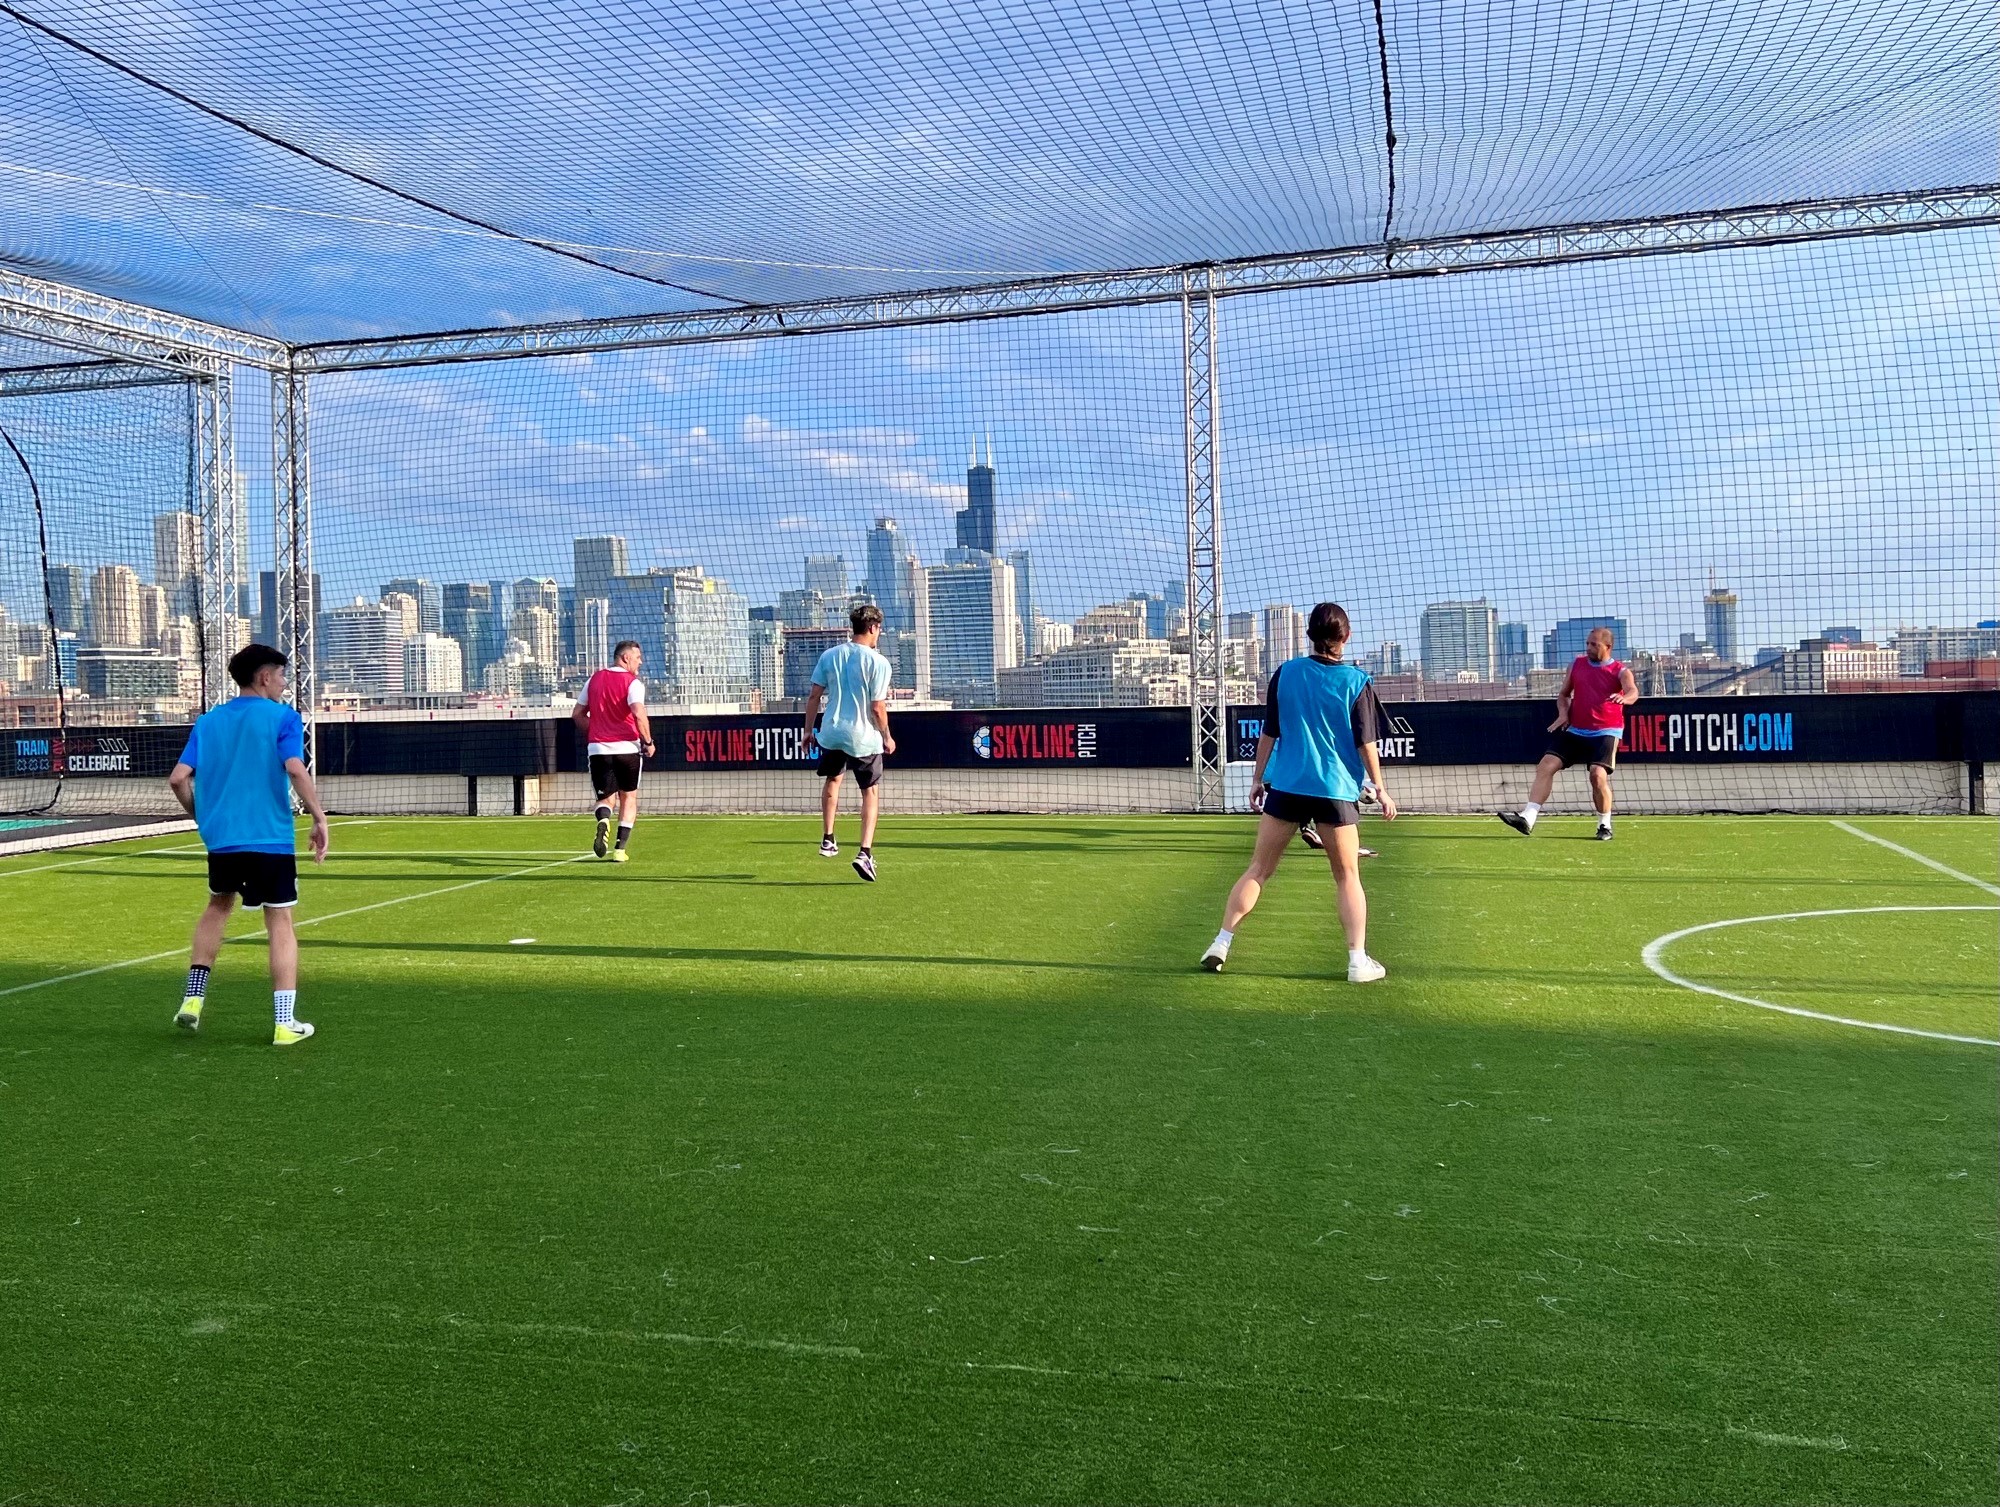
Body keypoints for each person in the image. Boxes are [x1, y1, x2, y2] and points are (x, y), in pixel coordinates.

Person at [1202, 603, 1397, 982]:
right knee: (1347, 876)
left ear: (1309, 634)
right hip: (1335, 790)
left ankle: (1221, 942)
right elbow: (1366, 742)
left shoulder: (1286, 673)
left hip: (1287, 785)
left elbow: (1269, 732)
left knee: (1258, 870)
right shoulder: (1357, 681)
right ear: (1346, 637)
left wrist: (1257, 780)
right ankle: (1358, 961)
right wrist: (1381, 788)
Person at [166, 643, 328, 1046]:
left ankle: (192, 999)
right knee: (280, 921)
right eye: (281, 675)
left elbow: (178, 778)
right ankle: (283, 1022)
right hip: (268, 839)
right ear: (264, 677)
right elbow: (294, 768)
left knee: (217, 907)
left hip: (223, 841)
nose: (285, 684)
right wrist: (319, 816)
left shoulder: (208, 721)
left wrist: (202, 816)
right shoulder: (283, 718)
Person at [1498, 625, 1638, 840]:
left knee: (1597, 776)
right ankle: (1528, 818)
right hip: (1576, 730)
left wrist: (1625, 698)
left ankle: (1604, 825)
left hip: (1606, 731)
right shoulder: (1576, 665)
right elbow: (1564, 695)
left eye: (1594, 644)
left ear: (1608, 647)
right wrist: (1564, 713)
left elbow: (1632, 691)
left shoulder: (1620, 670)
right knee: (1546, 765)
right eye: (1588, 643)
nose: (1589, 648)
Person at [804, 603, 895, 882]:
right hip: (862, 735)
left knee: (833, 780)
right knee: (870, 791)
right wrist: (887, 736)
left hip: (831, 732)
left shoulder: (830, 655)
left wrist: (808, 731)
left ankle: (828, 839)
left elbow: (814, 697)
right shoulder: (878, 662)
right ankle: (865, 853)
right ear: (873, 627)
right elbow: (877, 707)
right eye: (879, 628)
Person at [574, 640, 655, 862]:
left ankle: (603, 820)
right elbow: (639, 713)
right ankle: (619, 850)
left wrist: (595, 733)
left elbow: (577, 714)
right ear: (626, 657)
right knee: (628, 797)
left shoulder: (594, 679)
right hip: (627, 747)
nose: (641, 661)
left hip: (598, 748)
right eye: (638, 657)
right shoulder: (633, 683)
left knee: (606, 799)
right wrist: (648, 741)